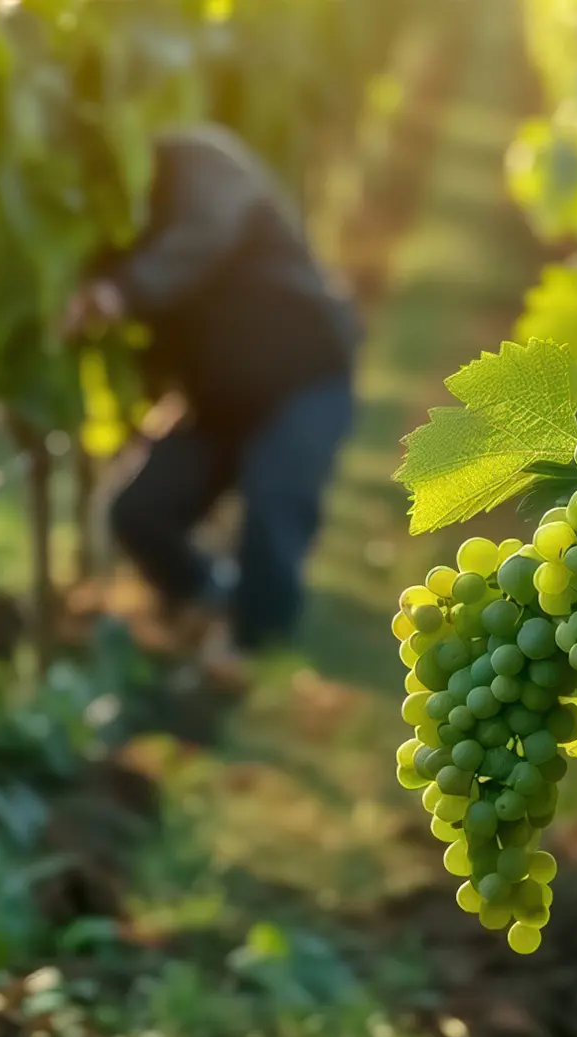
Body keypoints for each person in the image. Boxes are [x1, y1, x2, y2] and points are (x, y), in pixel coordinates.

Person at [61, 123, 361, 692]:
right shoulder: (106, 224)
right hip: (218, 397)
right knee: (137, 510)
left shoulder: (198, 162)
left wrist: (117, 293)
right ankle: (211, 603)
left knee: (273, 506)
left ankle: (259, 659)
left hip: (303, 376)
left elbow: (205, 233)